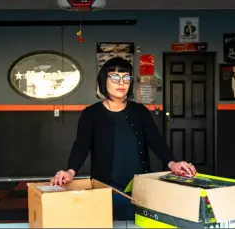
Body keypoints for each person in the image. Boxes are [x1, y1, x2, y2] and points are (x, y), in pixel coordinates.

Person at [50, 57, 196, 220]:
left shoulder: (140, 112)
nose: (121, 83)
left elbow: (156, 141)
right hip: (107, 187)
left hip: (139, 187)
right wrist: (70, 171)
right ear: (103, 80)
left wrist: (172, 163)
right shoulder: (91, 113)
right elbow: (82, 146)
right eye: (114, 77)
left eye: (126, 78)